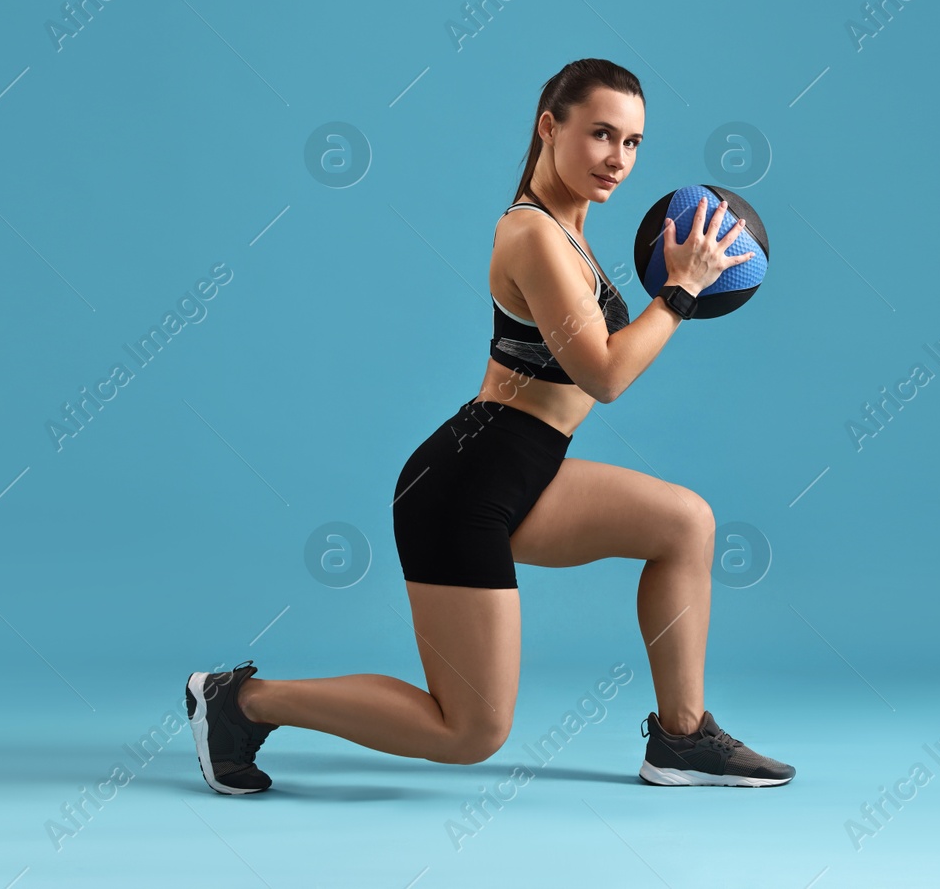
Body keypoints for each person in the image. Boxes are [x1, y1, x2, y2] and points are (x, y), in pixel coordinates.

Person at [185, 58, 793, 793]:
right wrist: (680, 292)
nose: (618, 159)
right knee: (470, 730)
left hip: (526, 469)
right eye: (601, 134)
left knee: (686, 524)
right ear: (550, 126)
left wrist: (675, 287)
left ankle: (682, 737)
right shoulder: (532, 235)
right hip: (464, 484)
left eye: (632, 143)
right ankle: (239, 700)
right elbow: (603, 375)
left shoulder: (573, 236)